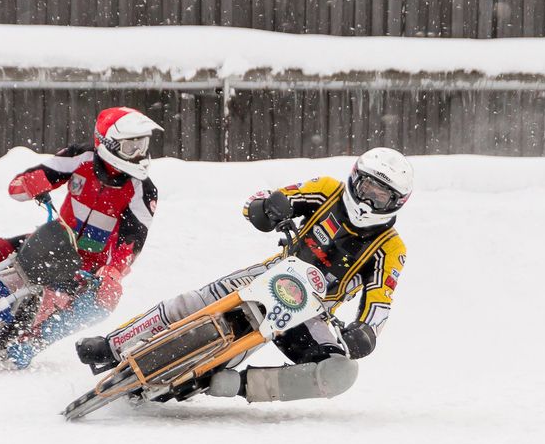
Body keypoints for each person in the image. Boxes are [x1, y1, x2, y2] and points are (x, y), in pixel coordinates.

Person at [76, 147, 412, 403]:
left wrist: (364, 332)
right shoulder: (325, 190)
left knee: (341, 373)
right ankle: (113, 345)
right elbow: (261, 200)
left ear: (396, 202)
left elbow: (381, 301)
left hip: (313, 312)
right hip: (273, 273)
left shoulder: (390, 248)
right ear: (355, 178)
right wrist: (268, 208)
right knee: (192, 302)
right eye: (367, 186)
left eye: (381, 195)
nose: (369, 198)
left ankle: (234, 384)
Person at [0, 106, 163, 368]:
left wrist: (112, 273)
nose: (139, 155)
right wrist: (30, 183)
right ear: (106, 144)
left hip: (88, 268)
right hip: (51, 244)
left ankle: (30, 343)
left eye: (142, 145)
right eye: (130, 147)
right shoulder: (80, 157)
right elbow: (19, 187)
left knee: (105, 299)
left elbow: (132, 241)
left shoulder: (143, 190)